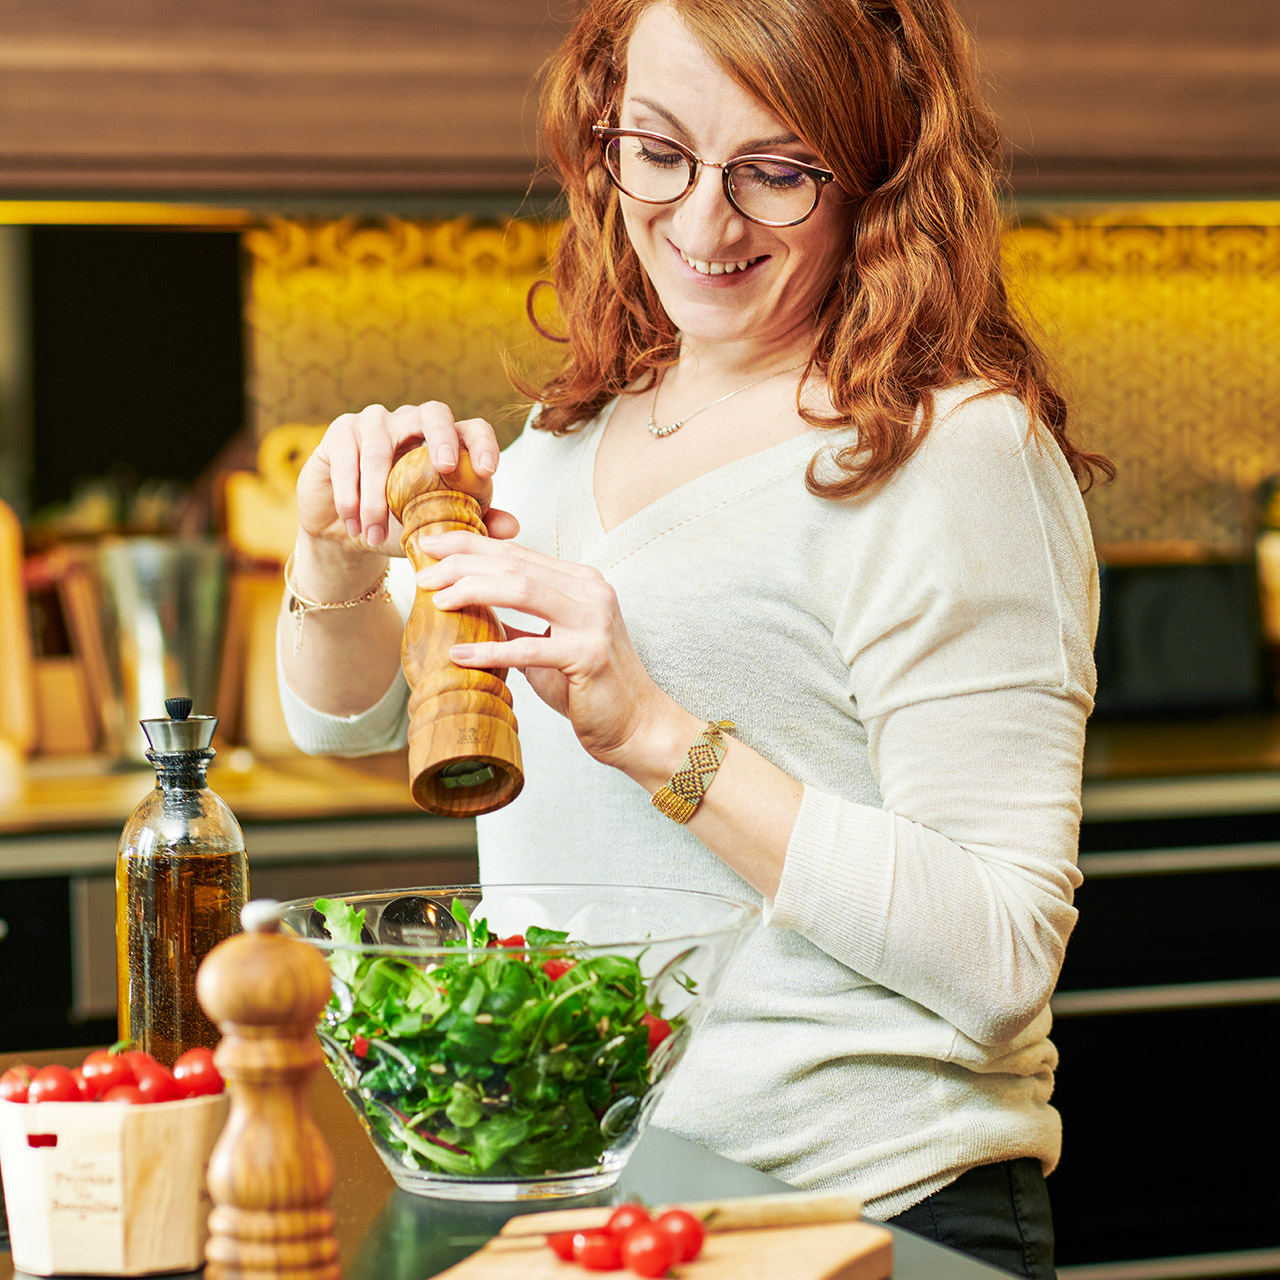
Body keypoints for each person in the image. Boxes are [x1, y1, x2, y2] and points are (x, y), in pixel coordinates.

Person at [279, 1, 1111, 1275]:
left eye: (774, 174)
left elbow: (998, 950)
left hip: (862, 1218)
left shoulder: (953, 455)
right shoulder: (573, 436)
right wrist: (333, 565)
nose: (701, 221)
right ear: (600, 126)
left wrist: (655, 731)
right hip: (591, 1209)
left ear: (880, 172)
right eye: (656, 150)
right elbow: (350, 721)